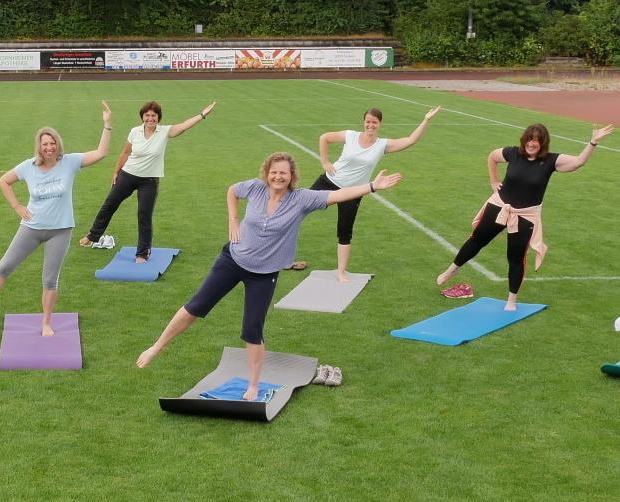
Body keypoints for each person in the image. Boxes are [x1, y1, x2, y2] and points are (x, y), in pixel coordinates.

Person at [136, 152, 402, 400]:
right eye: (274, 172)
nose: (278, 177)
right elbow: (232, 190)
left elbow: (338, 195)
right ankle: (156, 347)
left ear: (291, 176)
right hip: (232, 260)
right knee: (196, 305)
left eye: (283, 173)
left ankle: (253, 384)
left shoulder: (302, 200)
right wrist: (232, 219)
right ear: (267, 173)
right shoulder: (254, 187)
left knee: (252, 329)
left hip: (263, 274)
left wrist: (372, 187)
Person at [0, 102, 113, 336]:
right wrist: (17, 206)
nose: (49, 147)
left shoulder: (69, 162)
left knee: (50, 280)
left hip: (60, 231)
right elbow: (4, 180)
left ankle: (46, 323)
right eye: (45, 144)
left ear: (57, 144)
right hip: (31, 228)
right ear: (39, 147)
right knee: (4, 267)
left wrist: (107, 124)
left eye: (52, 143)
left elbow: (101, 153)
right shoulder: (28, 166)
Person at [437, 122, 614, 310]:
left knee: (515, 257)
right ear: (525, 140)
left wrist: (593, 142)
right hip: (500, 205)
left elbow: (578, 162)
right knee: (476, 239)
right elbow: (492, 156)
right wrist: (493, 180)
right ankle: (452, 270)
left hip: (525, 215)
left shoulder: (551, 160)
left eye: (537, 140)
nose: (532, 143)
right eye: (530, 139)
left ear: (543, 143)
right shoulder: (514, 153)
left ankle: (511, 299)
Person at [78, 99, 217, 263]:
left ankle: (142, 253)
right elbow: (125, 153)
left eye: (154, 115)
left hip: (149, 181)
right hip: (128, 175)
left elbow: (184, 125)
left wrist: (202, 115)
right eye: (147, 115)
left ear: (158, 117)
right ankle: (93, 236)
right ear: (142, 116)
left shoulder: (165, 132)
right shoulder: (135, 131)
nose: (150, 118)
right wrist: (116, 172)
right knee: (109, 205)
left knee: (144, 216)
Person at [312, 106, 440, 282]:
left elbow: (410, 140)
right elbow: (324, 137)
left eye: (374, 122)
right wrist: (325, 161)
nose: (370, 125)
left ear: (379, 124)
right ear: (363, 122)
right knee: (297, 209)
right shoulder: (350, 135)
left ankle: (341, 272)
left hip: (354, 192)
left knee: (344, 231)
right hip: (329, 182)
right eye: (368, 121)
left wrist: (426, 119)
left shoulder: (382, 145)